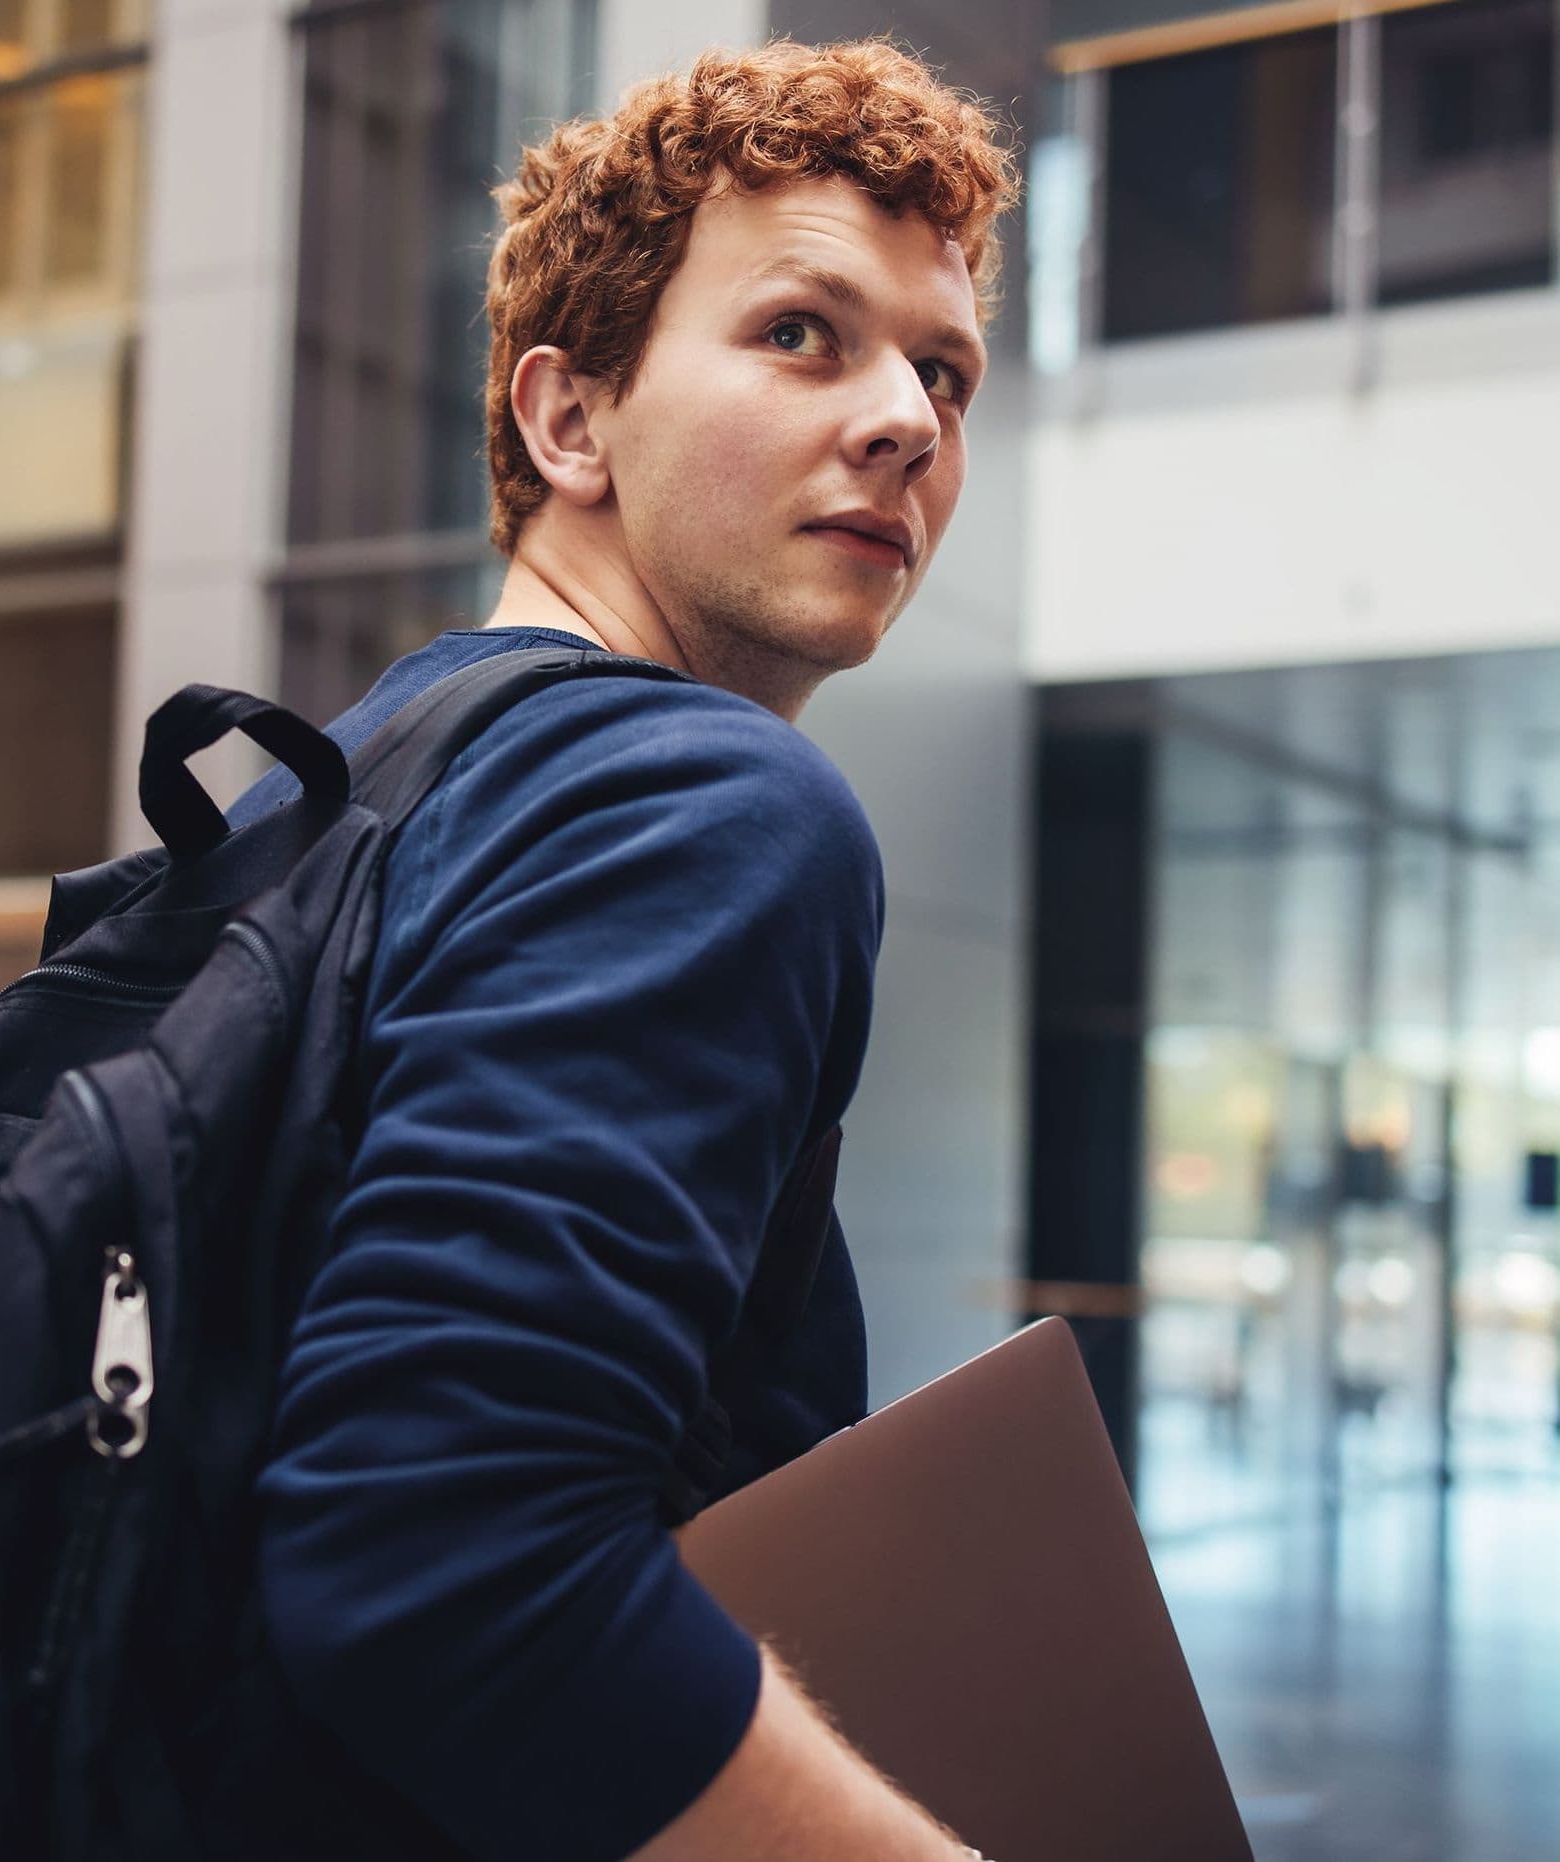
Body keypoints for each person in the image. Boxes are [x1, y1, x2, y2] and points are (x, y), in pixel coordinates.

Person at [234, 36, 1017, 1861]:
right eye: (803, 332)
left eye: (946, 369)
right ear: (565, 420)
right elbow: (438, 1556)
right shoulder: (707, 802)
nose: (906, 414)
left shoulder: (360, 782)